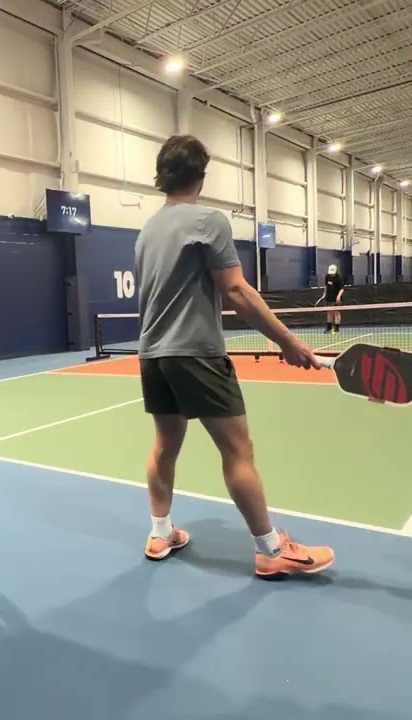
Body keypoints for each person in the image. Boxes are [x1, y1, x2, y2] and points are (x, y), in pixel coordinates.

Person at [135, 134, 335, 579]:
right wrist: (287, 340)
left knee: (164, 446)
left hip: (152, 355)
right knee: (238, 450)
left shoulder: (147, 230)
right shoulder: (210, 220)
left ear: (163, 175)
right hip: (197, 354)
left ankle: (160, 531)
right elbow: (236, 290)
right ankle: (270, 549)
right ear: (200, 177)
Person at [320, 263, 344, 334]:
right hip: (328, 297)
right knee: (329, 312)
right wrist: (324, 293)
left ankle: (336, 329)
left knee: (336, 312)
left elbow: (342, 289)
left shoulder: (338, 278)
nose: (331, 274)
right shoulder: (327, 276)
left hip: (336, 298)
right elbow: (326, 286)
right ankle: (328, 328)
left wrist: (338, 296)